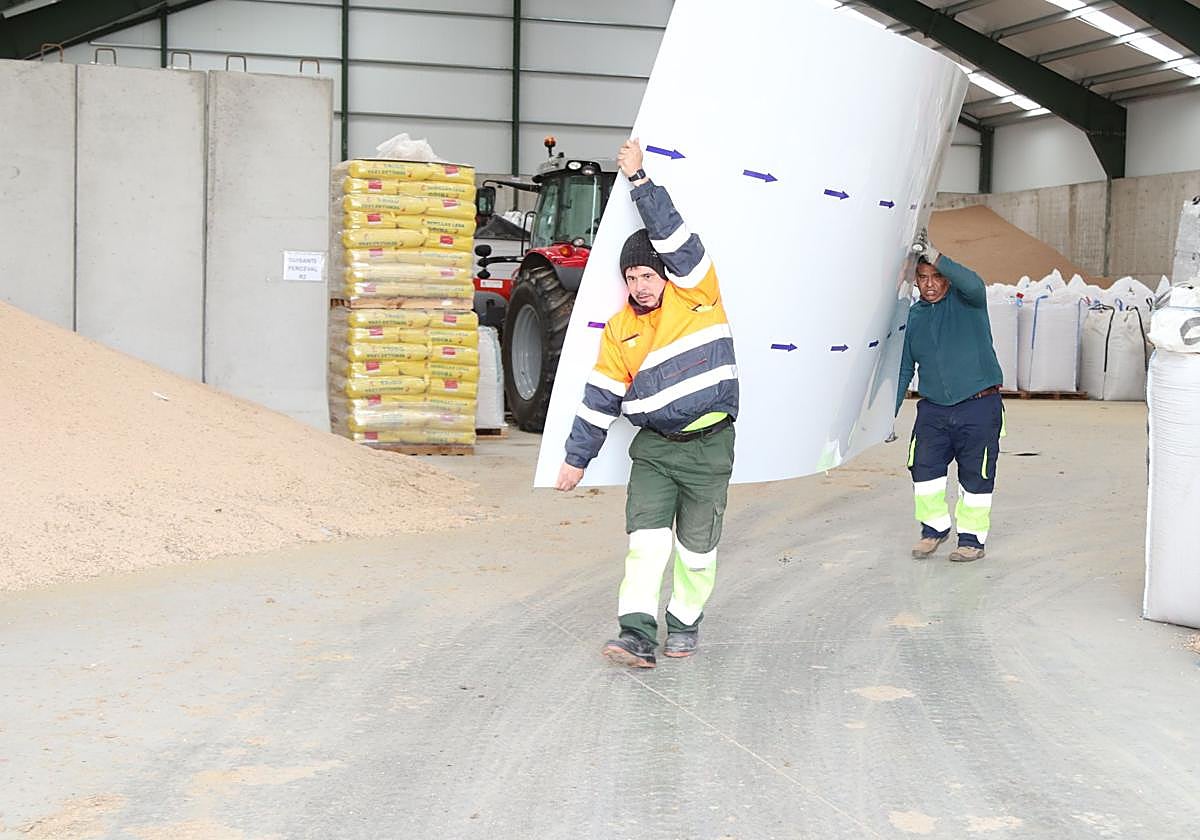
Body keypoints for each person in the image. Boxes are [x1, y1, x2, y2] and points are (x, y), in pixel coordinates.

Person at [554, 139, 738, 668]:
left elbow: (674, 234)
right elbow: (600, 400)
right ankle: (635, 632)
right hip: (655, 450)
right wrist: (574, 460)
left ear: (666, 275)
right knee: (647, 544)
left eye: (647, 275)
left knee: (697, 553)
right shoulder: (620, 329)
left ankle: (684, 624)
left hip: (709, 448)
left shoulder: (698, 293)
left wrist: (639, 180)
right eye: (631, 277)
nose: (639, 285)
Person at [896, 232, 1004, 563]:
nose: (929, 285)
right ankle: (934, 530)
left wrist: (936, 255)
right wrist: (888, 413)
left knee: (976, 474)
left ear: (946, 279)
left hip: (978, 405)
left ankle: (971, 540)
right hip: (933, 411)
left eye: (936, 277)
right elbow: (903, 370)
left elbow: (974, 283)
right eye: (923, 278)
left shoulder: (968, 302)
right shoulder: (914, 318)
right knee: (923, 471)